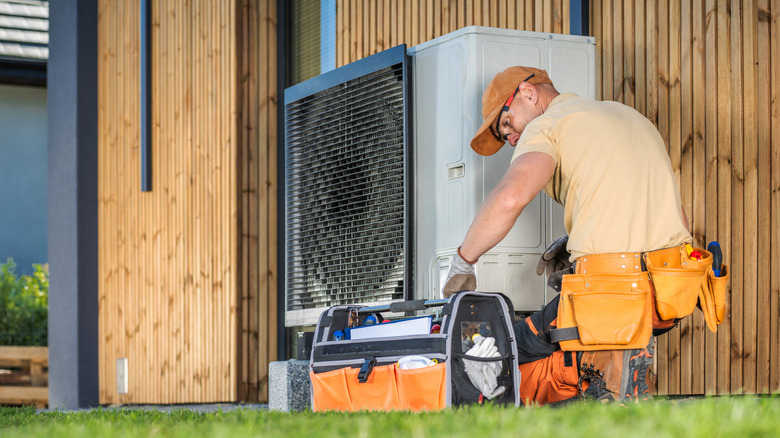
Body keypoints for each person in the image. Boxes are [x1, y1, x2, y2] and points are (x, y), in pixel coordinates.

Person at [441, 66, 693, 405]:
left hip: (610, 293)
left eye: (506, 124)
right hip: (669, 293)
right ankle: (614, 372)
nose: (512, 139)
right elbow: (677, 217)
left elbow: (510, 198)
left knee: (507, 346)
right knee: (577, 342)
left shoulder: (548, 124)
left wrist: (463, 261)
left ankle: (601, 384)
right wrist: (584, 241)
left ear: (527, 94)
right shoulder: (629, 116)